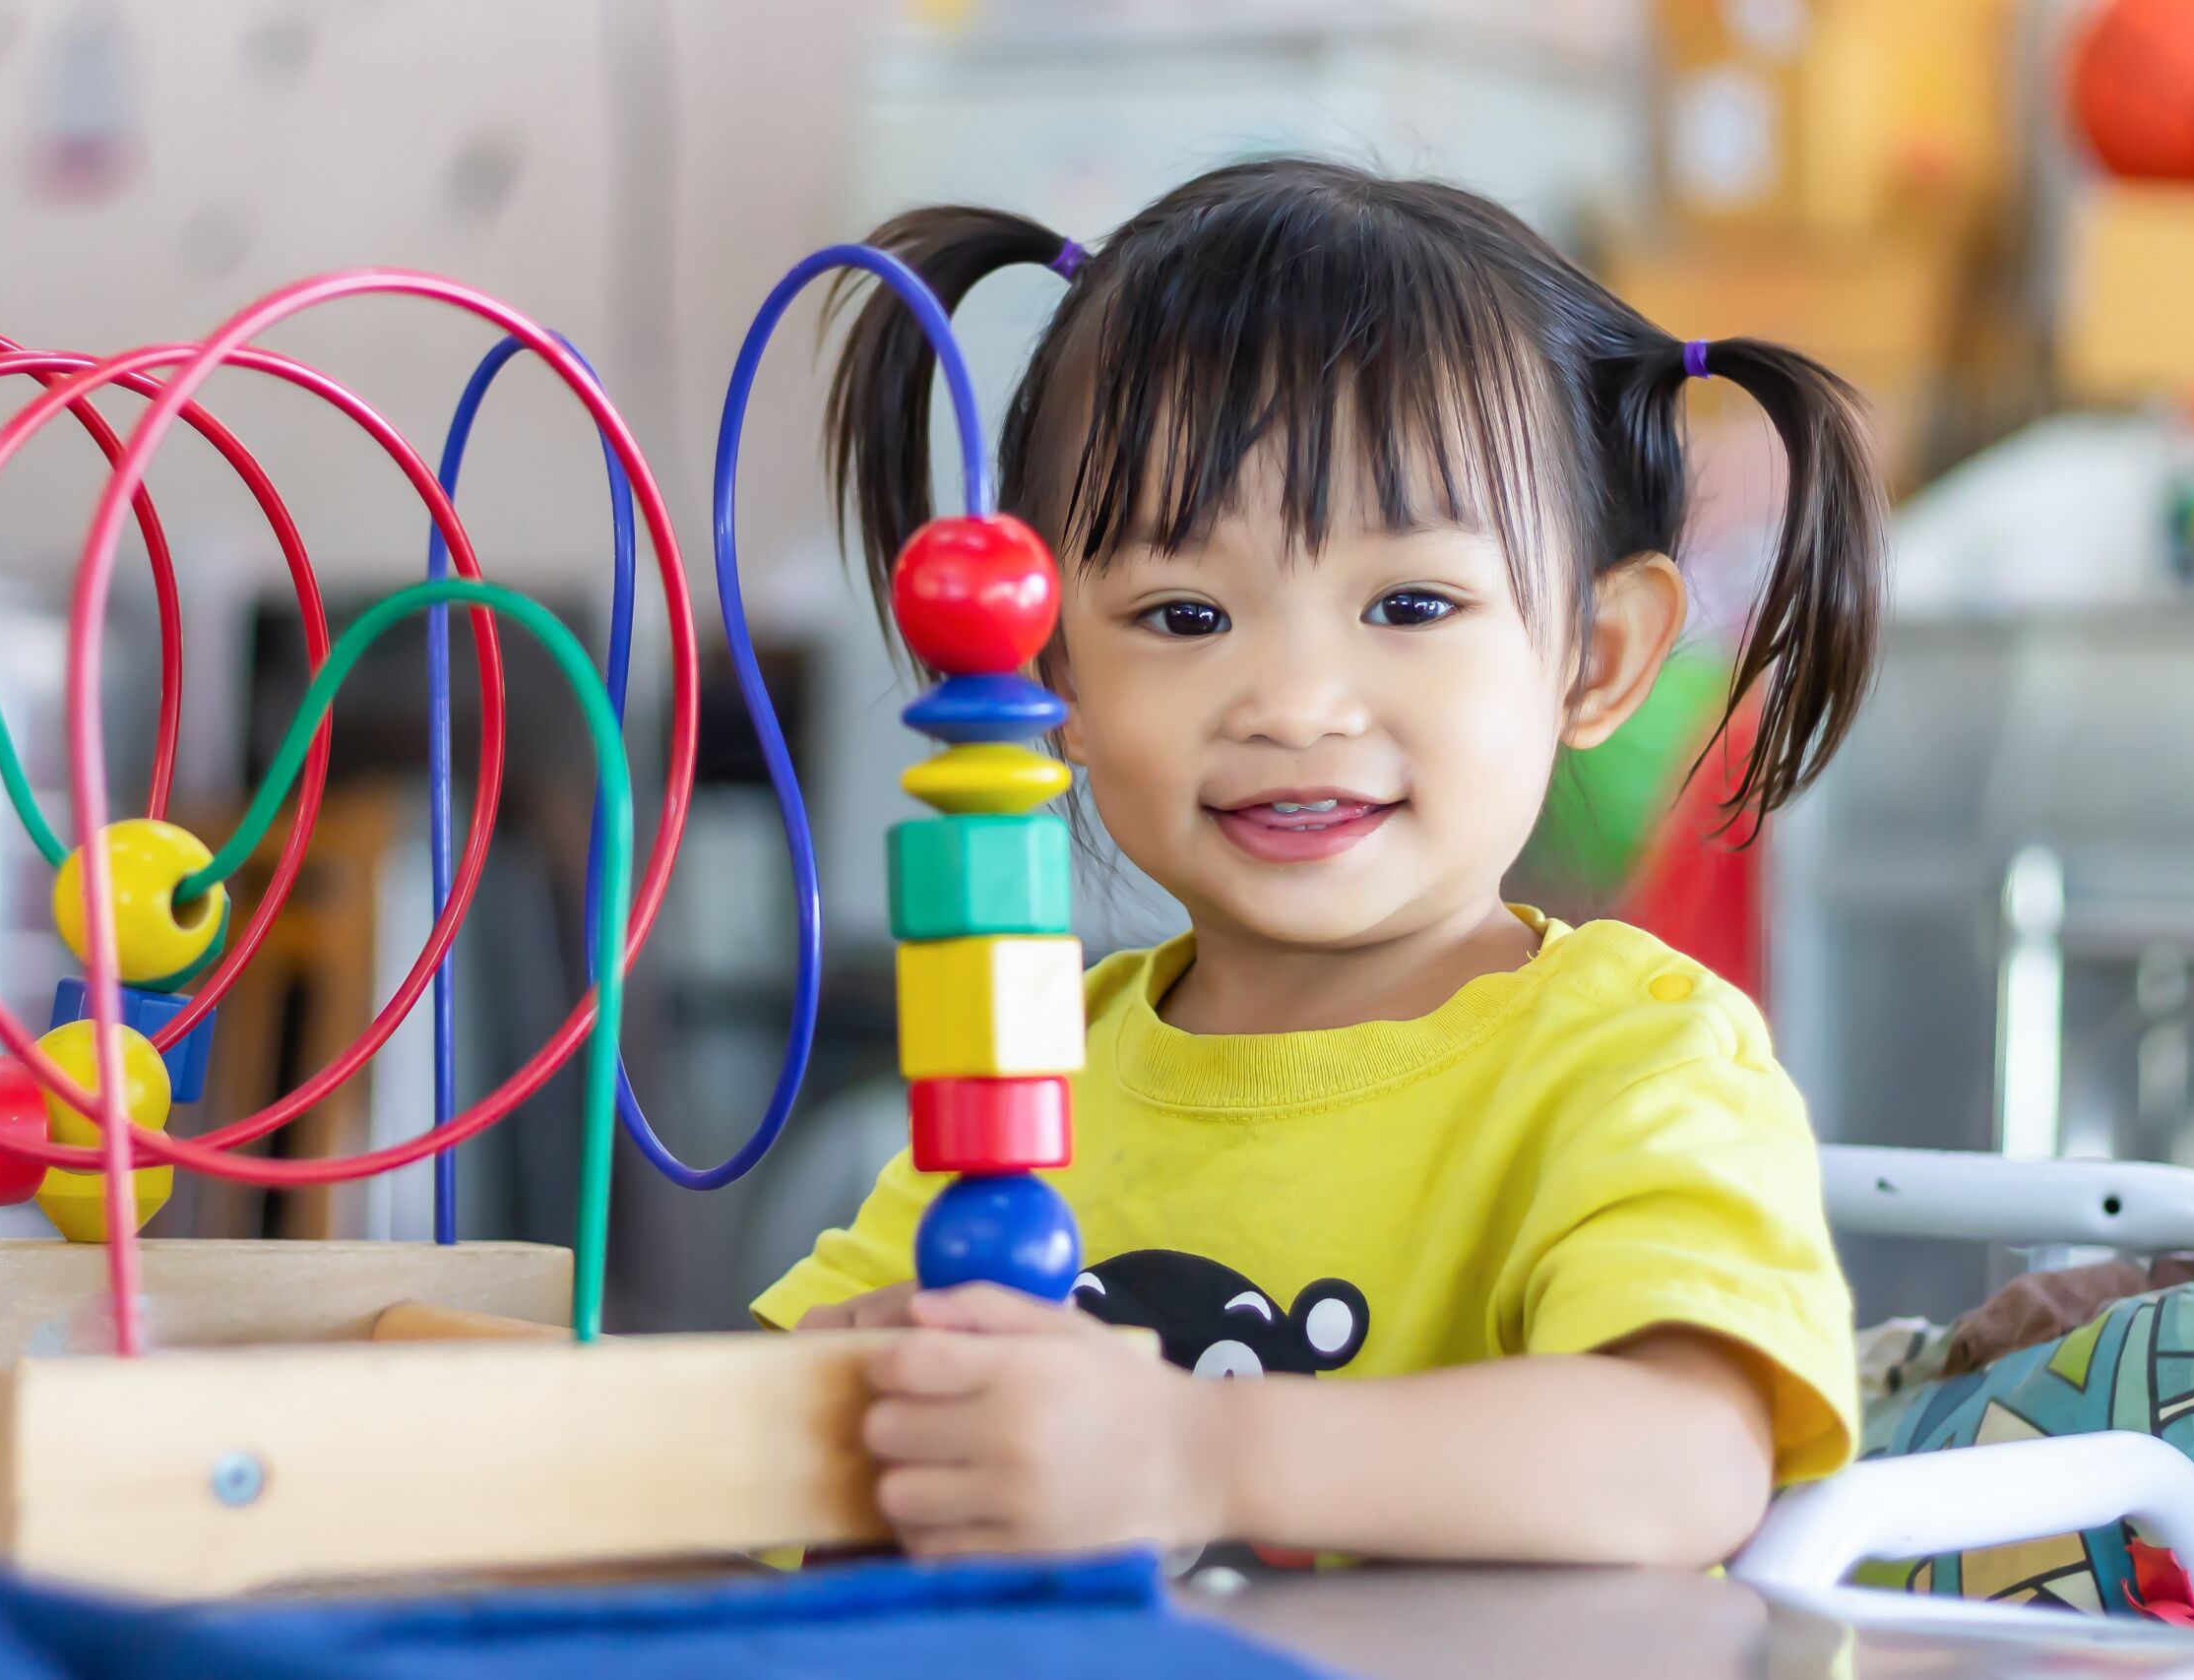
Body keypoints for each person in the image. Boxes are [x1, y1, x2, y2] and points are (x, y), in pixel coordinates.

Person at [755, 158, 1882, 1569]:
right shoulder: (1038, 1068)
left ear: (1595, 659)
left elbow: (1680, 1464)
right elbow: (771, 1430)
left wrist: (1194, 1455)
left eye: (1410, 603)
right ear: (1056, 685)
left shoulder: (1636, 1065)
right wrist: (847, 1402)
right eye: (1182, 614)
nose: (1295, 704)